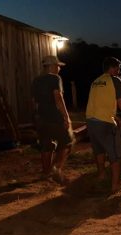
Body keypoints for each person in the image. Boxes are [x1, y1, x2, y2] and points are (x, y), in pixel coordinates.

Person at [86, 57, 121, 193]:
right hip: (105, 123)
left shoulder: (96, 81)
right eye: (118, 68)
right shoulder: (115, 80)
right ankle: (115, 185)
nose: (119, 71)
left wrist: (117, 117)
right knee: (115, 154)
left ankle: (101, 175)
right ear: (113, 68)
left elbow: (101, 104)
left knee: (99, 150)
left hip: (90, 121)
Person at [32, 55, 75, 183]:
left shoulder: (36, 80)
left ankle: (46, 174)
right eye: (58, 66)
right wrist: (66, 117)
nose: (59, 69)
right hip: (55, 117)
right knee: (67, 143)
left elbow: (34, 101)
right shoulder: (55, 78)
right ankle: (56, 169)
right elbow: (58, 98)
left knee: (47, 145)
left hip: (41, 117)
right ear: (51, 66)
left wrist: (36, 116)